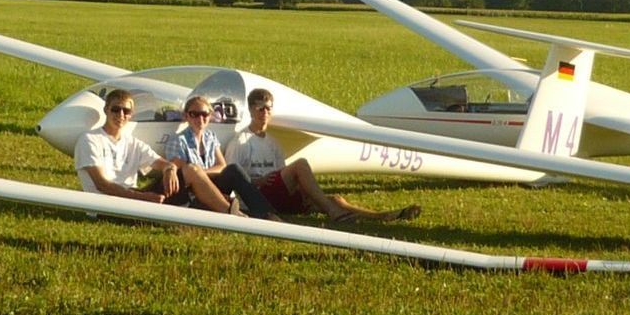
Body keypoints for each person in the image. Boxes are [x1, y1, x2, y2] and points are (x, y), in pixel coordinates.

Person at [226, 87, 421, 224]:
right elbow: (233, 180)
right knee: (300, 164)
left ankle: (382, 216)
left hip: (277, 195)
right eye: (260, 108)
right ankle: (333, 212)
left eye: (268, 108)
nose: (265, 113)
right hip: (257, 198)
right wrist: (260, 182)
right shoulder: (241, 142)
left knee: (334, 199)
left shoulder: (273, 143)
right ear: (251, 110)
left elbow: (280, 175)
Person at [75, 89, 236, 212]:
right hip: (109, 206)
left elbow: (159, 162)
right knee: (193, 173)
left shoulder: (132, 143)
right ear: (106, 110)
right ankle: (233, 216)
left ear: (131, 115)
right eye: (116, 109)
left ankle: (230, 213)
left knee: (191, 169)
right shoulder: (90, 139)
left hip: (135, 197)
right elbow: (103, 185)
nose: (121, 115)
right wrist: (143, 198)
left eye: (127, 111)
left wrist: (169, 168)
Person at [163, 95, 278, 219]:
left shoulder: (210, 137)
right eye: (194, 114)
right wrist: (199, 176)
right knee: (223, 172)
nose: (200, 118)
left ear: (210, 116)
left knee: (233, 169)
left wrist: (200, 174)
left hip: (211, 184)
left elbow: (222, 166)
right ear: (186, 116)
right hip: (193, 194)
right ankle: (248, 213)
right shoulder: (178, 141)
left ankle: (266, 213)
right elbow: (185, 174)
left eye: (204, 114)